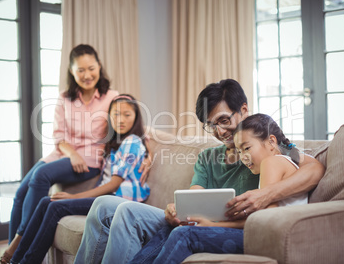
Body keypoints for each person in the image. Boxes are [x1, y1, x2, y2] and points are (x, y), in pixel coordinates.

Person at [73, 79, 325, 264]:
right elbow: (194, 194)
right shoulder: (208, 156)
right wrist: (176, 209)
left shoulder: (264, 148)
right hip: (201, 221)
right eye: (211, 125)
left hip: (230, 226)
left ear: (244, 110)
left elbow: (314, 167)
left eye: (224, 120)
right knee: (105, 205)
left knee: (130, 212)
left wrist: (266, 194)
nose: (219, 132)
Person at [0, 44, 153, 264]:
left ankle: (18, 247)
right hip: (64, 154)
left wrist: (148, 154)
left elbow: (134, 122)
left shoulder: (112, 98)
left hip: (90, 159)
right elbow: (59, 135)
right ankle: (14, 252)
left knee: (42, 178)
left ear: (99, 66)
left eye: (91, 68)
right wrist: (71, 153)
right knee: (22, 192)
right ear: (71, 71)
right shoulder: (65, 98)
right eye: (80, 70)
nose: (87, 74)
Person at [130, 113, 309, 263]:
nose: (244, 157)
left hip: (270, 240)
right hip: (270, 235)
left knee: (184, 234)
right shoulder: (284, 162)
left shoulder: (272, 162)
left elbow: (265, 220)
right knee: (174, 228)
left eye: (247, 148)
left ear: (271, 141)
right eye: (239, 152)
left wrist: (212, 224)